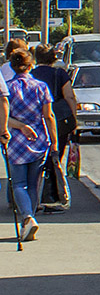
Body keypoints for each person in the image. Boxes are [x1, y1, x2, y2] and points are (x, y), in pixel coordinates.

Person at [5, 48, 57, 242]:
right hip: (38, 140)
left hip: (15, 141)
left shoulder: (7, 88)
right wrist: (54, 142)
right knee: (34, 185)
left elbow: (3, 116)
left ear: (12, 66)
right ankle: (30, 218)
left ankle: (27, 218)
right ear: (30, 65)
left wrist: (20, 126)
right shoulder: (41, 87)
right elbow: (49, 116)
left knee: (18, 183)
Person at [31, 43, 78, 162]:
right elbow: (69, 97)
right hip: (59, 118)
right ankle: (52, 175)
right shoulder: (60, 73)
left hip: (36, 118)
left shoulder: (31, 75)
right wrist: (73, 117)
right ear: (53, 57)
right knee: (57, 151)